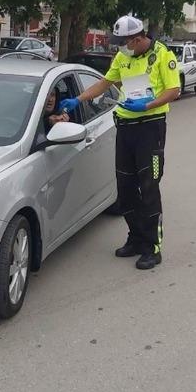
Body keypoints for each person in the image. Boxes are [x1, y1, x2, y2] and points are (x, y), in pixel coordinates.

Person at [59, 15, 180, 270]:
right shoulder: (122, 57)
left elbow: (173, 90)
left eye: (123, 42)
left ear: (137, 39)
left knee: (148, 189)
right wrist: (78, 99)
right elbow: (105, 83)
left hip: (150, 128)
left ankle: (152, 247)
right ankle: (135, 238)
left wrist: (146, 105)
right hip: (125, 128)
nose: (119, 47)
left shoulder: (162, 54)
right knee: (125, 189)